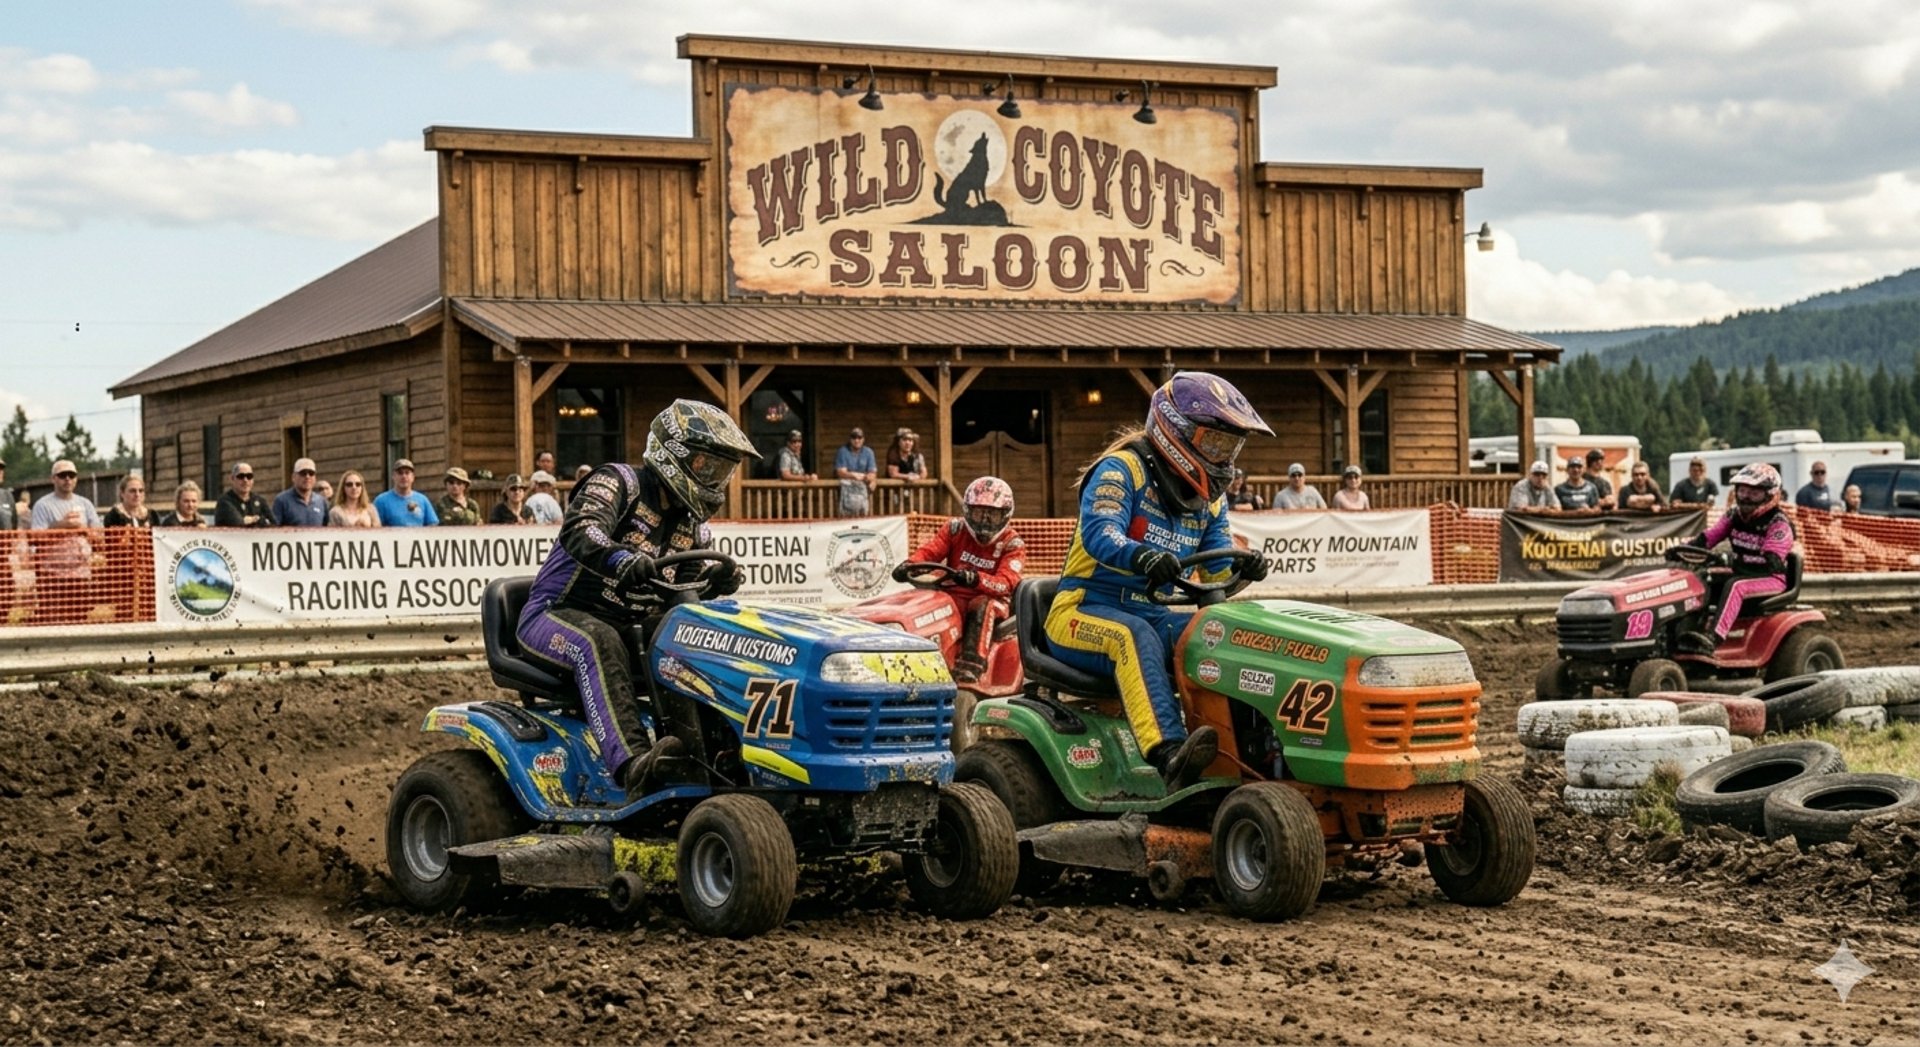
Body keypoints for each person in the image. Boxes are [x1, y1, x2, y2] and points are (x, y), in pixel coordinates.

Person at [516, 400, 757, 794]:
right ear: (673, 454)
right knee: (598, 642)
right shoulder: (617, 482)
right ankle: (632, 766)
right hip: (554, 614)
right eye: (707, 467)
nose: (715, 479)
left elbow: (683, 596)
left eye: (722, 471)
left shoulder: (694, 527)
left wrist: (713, 585)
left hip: (629, 624)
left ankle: (708, 755)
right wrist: (622, 559)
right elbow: (581, 528)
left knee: (691, 633)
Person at [1045, 372, 1271, 791]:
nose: (1223, 457)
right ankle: (1169, 755)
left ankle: (1254, 752)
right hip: (1080, 609)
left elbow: (1216, 576)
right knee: (1133, 637)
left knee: (1227, 632)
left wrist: (1245, 570)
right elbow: (1100, 534)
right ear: (1176, 431)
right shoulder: (1121, 469)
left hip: (1149, 610)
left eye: (1231, 447)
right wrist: (1142, 555)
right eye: (1215, 444)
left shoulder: (1211, 500)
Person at [892, 476, 1024, 683]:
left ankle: (972, 664)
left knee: (982, 605)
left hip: (993, 601)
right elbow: (930, 552)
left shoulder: (1012, 543)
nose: (985, 521)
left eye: (992, 514)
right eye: (980, 513)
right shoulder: (954, 529)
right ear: (969, 511)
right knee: (924, 599)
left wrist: (976, 579)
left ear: (1005, 514)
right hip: (952, 594)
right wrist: (909, 565)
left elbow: (1006, 583)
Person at [1670, 463, 1794, 655]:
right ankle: (1686, 631)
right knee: (1702, 578)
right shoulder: (1734, 515)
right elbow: (1707, 538)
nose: (1745, 497)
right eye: (1743, 491)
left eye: (1754, 493)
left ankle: (1714, 638)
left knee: (1735, 586)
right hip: (1742, 573)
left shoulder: (1778, 524)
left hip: (1771, 579)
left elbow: (1773, 561)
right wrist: (1680, 548)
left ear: (1769, 495)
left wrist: (1732, 559)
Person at [28, 460, 101, 624]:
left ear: (76, 479)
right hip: (52, 576)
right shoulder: (42, 505)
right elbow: (35, 538)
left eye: (72, 475)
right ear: (53, 479)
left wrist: (83, 530)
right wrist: (62, 526)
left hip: (80, 574)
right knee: (53, 622)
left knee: (80, 620)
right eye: (62, 475)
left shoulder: (85, 504)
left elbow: (99, 536)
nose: (67, 479)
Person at [374, 459, 438, 527]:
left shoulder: (422, 500)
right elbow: (376, 527)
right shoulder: (381, 501)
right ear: (393, 476)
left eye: (407, 473)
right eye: (400, 473)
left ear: (413, 477)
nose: (404, 476)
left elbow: (432, 524)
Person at [272, 457, 329, 527]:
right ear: (293, 477)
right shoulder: (282, 500)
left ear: (315, 478)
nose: (307, 477)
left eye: (311, 473)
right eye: (303, 473)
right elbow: (275, 528)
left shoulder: (321, 501)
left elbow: (326, 528)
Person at [215, 462, 274, 527]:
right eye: (241, 476)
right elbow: (238, 522)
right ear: (232, 479)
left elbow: (274, 523)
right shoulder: (225, 501)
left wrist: (254, 520)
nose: (245, 480)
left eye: (249, 476)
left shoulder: (260, 500)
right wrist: (259, 520)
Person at [835, 427, 877, 516]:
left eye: (859, 438)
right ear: (850, 439)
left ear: (863, 439)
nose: (856, 440)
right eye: (854, 438)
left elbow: (872, 472)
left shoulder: (869, 452)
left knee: (863, 516)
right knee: (845, 517)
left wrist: (870, 478)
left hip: (862, 492)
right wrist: (854, 475)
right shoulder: (842, 451)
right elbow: (840, 472)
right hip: (846, 491)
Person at [0, 457, 16, 531]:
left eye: (1, 469)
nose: (1, 472)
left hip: (5, 542)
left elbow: (15, 527)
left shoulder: (8, 495)